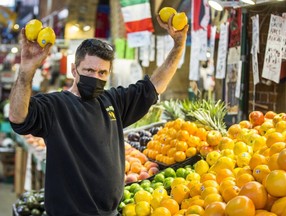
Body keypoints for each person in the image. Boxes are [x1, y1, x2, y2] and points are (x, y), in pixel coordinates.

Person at [9, 14, 188, 216]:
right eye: (89, 70)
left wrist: (178, 46)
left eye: (102, 73)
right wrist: (26, 70)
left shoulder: (113, 101)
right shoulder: (55, 106)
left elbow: (154, 87)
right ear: (74, 70)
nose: (95, 77)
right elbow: (18, 117)